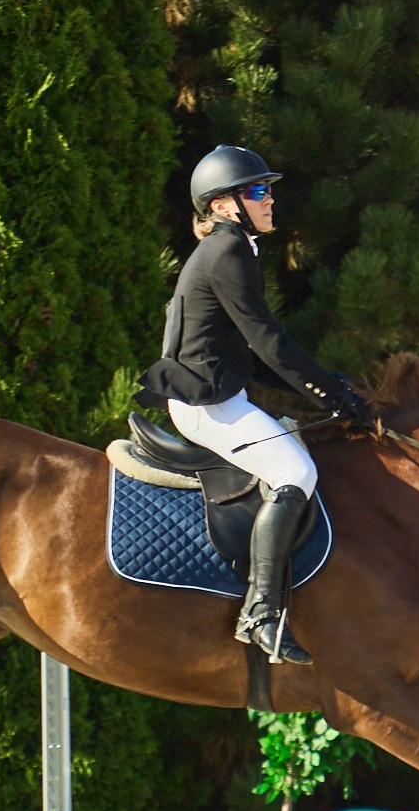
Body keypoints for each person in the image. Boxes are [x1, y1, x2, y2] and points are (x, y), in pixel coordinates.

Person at [136, 145, 376, 667]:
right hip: (203, 404)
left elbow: (253, 350)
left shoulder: (230, 249)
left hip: (218, 393)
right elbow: (270, 343)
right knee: (295, 470)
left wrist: (328, 385)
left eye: (270, 190)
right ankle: (260, 613)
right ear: (224, 205)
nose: (271, 202)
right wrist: (331, 395)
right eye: (259, 192)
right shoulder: (228, 253)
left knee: (296, 454)